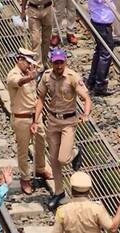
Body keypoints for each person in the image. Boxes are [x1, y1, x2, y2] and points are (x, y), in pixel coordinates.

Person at [34, 47, 90, 209]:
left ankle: (76, 151)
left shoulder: (72, 77)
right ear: (52, 62)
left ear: (65, 62)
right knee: (53, 160)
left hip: (68, 121)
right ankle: (59, 192)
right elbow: (41, 98)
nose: (59, 66)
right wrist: (35, 119)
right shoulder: (46, 77)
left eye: (61, 62)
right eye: (56, 63)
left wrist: (85, 114)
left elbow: (86, 98)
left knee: (63, 159)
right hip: (52, 120)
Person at [7, 47, 51, 194]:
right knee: (23, 150)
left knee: (41, 142)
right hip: (21, 118)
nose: (29, 65)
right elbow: (18, 82)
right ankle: (25, 178)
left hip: (35, 117)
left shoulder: (29, 74)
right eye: (27, 62)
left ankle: (40, 168)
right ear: (19, 60)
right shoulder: (13, 74)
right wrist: (30, 77)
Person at [52, 171, 120, 232]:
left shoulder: (62, 211)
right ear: (89, 190)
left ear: (71, 189)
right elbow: (112, 228)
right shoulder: (97, 208)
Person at [86, 0, 120, 96]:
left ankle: (92, 80)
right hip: (101, 24)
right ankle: (100, 84)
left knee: (100, 51)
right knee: (106, 53)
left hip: (104, 24)